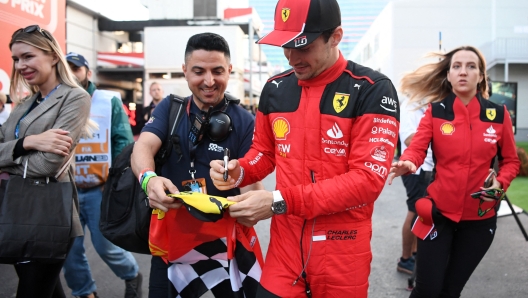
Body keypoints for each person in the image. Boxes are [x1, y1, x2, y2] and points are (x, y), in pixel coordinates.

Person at [210, 0, 400, 296]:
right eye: (285, 45)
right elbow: (264, 154)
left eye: (303, 46)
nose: (290, 57)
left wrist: (276, 201)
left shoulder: (373, 88)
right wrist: (237, 173)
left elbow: (366, 181)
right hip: (285, 253)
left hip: (343, 253)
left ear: (335, 37)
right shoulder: (274, 89)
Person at [131, 32, 263, 298]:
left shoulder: (245, 121)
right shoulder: (170, 108)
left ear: (230, 70)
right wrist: (149, 179)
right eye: (199, 71)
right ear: (185, 71)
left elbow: (254, 186)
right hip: (171, 243)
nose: (209, 81)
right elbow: (143, 146)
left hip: (225, 247)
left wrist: (243, 189)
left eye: (217, 71)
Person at [388, 46, 520, 298]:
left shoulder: (498, 115)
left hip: (480, 222)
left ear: (481, 76)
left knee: (450, 291)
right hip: (438, 214)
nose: (463, 72)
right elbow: (416, 149)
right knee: (427, 290)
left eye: (471, 66)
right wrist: (407, 162)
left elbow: (511, 161)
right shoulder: (435, 112)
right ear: (448, 75)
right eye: (456, 66)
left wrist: (500, 184)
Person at [4, 24, 91, 298]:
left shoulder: (75, 97)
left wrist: (8, 157)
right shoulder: (24, 103)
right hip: (17, 208)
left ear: (53, 56)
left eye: (28, 56)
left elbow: (47, 165)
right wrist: (27, 143)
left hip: (47, 211)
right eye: (16, 59)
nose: (20, 65)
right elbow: (32, 157)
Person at [62, 52, 142, 298]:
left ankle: (132, 274)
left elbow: (123, 142)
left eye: (77, 68)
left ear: (88, 72)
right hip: (67, 189)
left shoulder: (108, 101)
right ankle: (85, 292)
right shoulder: (57, 100)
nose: (73, 73)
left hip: (99, 188)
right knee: (69, 250)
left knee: (105, 246)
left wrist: (115, 182)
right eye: (68, 68)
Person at [397, 98, 434, 275]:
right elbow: (409, 139)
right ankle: (405, 259)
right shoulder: (411, 105)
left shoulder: (427, 103)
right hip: (416, 168)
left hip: (427, 167)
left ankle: (413, 254)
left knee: (422, 212)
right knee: (416, 211)